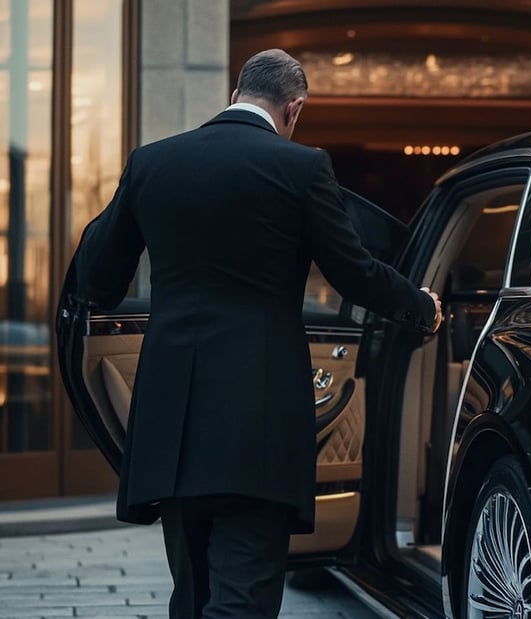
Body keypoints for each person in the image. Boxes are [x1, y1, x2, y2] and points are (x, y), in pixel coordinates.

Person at [73, 49, 442, 618]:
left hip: (171, 423)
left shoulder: (152, 162)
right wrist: (420, 306)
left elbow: (96, 279)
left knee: (192, 596)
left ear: (234, 94)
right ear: (294, 109)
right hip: (258, 418)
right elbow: (353, 272)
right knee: (243, 597)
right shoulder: (302, 167)